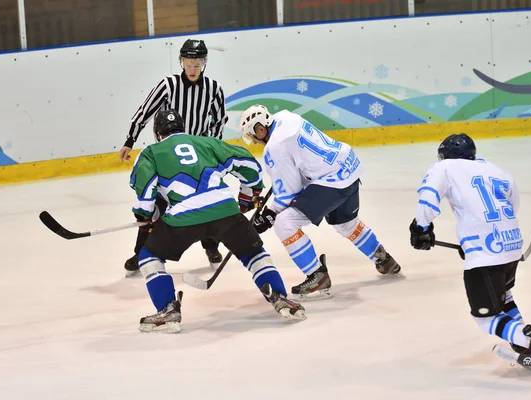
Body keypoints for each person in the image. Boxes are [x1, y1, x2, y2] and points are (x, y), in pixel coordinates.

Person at [130, 109, 306, 332]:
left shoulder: (150, 152)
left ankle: (168, 310)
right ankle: (280, 296)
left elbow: (145, 191)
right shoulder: (206, 142)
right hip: (225, 211)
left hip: (184, 218)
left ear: (157, 133)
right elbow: (247, 163)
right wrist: (247, 195)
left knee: (149, 256)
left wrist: (145, 216)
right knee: (253, 253)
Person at [409, 133, 531, 377]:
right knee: (504, 296)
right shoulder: (495, 169)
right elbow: (512, 207)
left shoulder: (445, 167)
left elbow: (427, 203)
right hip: (513, 245)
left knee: (484, 318)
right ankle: (522, 344)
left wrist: (421, 229)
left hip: (486, 252)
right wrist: (473, 242)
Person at [238, 105, 402, 301]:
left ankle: (317, 276)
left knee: (284, 223)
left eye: (253, 137)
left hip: (333, 180)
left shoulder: (274, 148)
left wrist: (270, 214)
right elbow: (300, 162)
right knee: (345, 224)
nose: (255, 142)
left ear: (260, 129)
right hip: (348, 165)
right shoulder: (285, 117)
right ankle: (383, 258)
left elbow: (290, 192)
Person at [120, 38, 229, 276]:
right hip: (168, 156)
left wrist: (212, 149)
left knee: (206, 199)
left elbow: (219, 120)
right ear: (181, 61)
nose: (192, 68)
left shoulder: (213, 89)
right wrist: (130, 139)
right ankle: (141, 252)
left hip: (198, 158)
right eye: (189, 62)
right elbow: (145, 111)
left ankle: (211, 245)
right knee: (157, 203)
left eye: (197, 63)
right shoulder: (168, 85)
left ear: (204, 63)